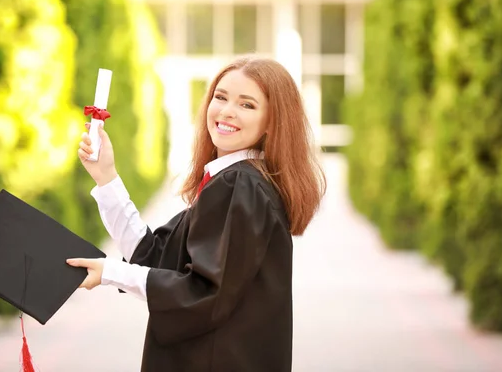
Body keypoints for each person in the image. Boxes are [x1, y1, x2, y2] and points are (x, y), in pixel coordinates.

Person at [67, 55, 326, 371]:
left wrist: (111, 272)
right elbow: (154, 256)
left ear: (272, 121)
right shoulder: (233, 181)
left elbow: (204, 293)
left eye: (247, 105)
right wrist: (106, 177)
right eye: (221, 97)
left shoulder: (241, 186)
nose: (227, 110)